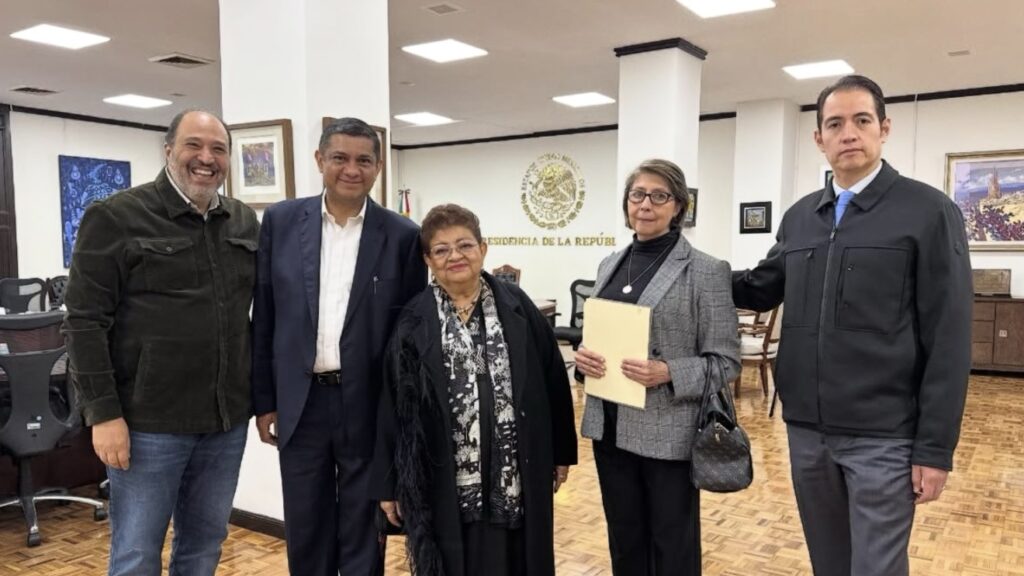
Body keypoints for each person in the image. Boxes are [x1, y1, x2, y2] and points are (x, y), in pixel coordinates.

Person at [732, 75, 973, 576]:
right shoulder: (801, 218)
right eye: (835, 124)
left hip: (885, 436)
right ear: (818, 138)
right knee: (829, 564)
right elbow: (759, 287)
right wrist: (689, 270)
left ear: (884, 129)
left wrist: (934, 448)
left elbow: (949, 339)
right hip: (806, 432)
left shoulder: (929, 212)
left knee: (876, 568)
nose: (849, 133)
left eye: (862, 120)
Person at [63, 109, 259, 575]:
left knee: (205, 545)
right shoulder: (116, 217)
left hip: (225, 422)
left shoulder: (242, 221)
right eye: (194, 145)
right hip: (148, 425)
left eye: (218, 149)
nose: (206, 158)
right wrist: (103, 414)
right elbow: (84, 323)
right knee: (136, 553)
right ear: (169, 150)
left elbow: (253, 317)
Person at [251, 117, 427, 574]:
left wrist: (401, 416)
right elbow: (265, 315)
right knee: (306, 525)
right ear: (319, 160)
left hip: (368, 405)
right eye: (340, 158)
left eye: (364, 160)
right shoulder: (281, 222)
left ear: (378, 167)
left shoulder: (403, 236)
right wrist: (264, 400)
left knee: (363, 528)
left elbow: (410, 338)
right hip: (301, 404)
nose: (352, 169)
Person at [371, 204, 578, 576]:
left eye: (465, 245)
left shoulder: (519, 307)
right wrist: (388, 485)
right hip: (443, 481)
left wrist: (562, 452)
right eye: (441, 249)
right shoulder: (413, 321)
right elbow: (391, 408)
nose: (455, 256)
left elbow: (553, 381)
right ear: (428, 260)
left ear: (483, 249)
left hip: (516, 475)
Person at [574, 159, 740, 576]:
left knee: (672, 546)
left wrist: (668, 372)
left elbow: (726, 362)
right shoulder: (609, 264)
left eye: (659, 196)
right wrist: (585, 359)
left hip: (668, 433)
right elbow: (604, 335)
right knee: (625, 540)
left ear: (678, 206)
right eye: (637, 194)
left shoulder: (706, 270)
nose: (645, 204)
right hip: (609, 427)